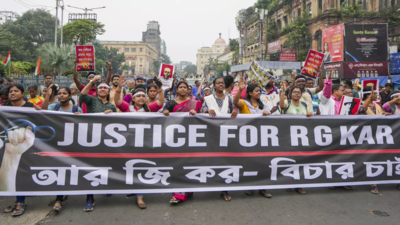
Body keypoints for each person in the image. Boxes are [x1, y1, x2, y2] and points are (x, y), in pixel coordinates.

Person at [41, 86, 82, 212]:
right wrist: (48, 96)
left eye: (64, 93)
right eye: (59, 93)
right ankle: (59, 199)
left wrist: (80, 117)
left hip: (73, 145)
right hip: (57, 145)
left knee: (73, 170)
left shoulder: (76, 108)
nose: (61, 95)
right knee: (60, 170)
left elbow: (83, 126)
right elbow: (44, 112)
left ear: (70, 96)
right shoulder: (54, 107)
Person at [79, 75, 117, 211]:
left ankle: (106, 186)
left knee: (106, 165)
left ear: (108, 91)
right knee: (91, 167)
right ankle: (90, 197)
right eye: (100, 87)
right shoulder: (91, 100)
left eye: (104, 88)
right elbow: (82, 96)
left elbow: (118, 122)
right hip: (92, 139)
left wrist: (112, 113)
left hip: (106, 141)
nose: (102, 89)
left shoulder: (112, 105)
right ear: (97, 90)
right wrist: (91, 82)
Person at [163, 81, 202, 204]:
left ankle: (188, 189)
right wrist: (165, 113)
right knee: (177, 164)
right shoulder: (171, 103)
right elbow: (162, 115)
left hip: (191, 136)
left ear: (188, 90)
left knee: (189, 162)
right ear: (177, 90)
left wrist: (196, 114)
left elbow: (202, 118)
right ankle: (178, 193)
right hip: (175, 137)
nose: (183, 89)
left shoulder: (194, 103)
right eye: (181, 87)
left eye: (185, 87)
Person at [233, 77, 272, 198]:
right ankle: (249, 185)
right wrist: (240, 90)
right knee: (249, 163)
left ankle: (262, 187)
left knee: (262, 163)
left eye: (259, 91)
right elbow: (235, 102)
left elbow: (269, 117)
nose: (259, 93)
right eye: (256, 91)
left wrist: (267, 113)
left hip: (260, 138)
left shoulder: (263, 105)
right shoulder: (244, 103)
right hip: (247, 139)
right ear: (249, 93)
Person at [201, 77, 237, 201]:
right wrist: (207, 111)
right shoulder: (207, 99)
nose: (221, 85)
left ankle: (224, 189)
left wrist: (234, 113)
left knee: (225, 161)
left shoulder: (229, 98)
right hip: (211, 134)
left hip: (226, 134)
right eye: (218, 83)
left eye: (222, 83)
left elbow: (233, 113)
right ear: (214, 85)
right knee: (212, 160)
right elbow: (201, 114)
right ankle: (211, 184)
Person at [1, 84, 34, 217]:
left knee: (21, 173)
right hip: (8, 146)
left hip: (28, 145)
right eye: (10, 91)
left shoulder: (30, 107)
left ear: (22, 93)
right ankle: (18, 201)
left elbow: (42, 119)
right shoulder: (4, 109)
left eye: (16, 91)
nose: (12, 93)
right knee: (11, 172)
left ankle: (20, 201)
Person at [279, 83, 313, 194]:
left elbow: (309, 115)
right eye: (294, 92)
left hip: (301, 138)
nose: (297, 94)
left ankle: (299, 184)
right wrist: (283, 92)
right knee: (289, 161)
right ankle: (289, 182)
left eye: (299, 92)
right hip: (288, 137)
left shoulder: (303, 104)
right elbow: (282, 106)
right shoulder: (287, 103)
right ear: (290, 94)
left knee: (300, 161)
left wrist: (310, 114)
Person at [357, 86, 385, 194]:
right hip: (365, 137)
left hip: (378, 137)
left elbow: (381, 116)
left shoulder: (377, 106)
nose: (377, 95)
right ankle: (373, 183)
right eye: (375, 93)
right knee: (368, 159)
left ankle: (374, 182)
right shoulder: (361, 105)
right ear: (369, 94)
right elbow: (361, 111)